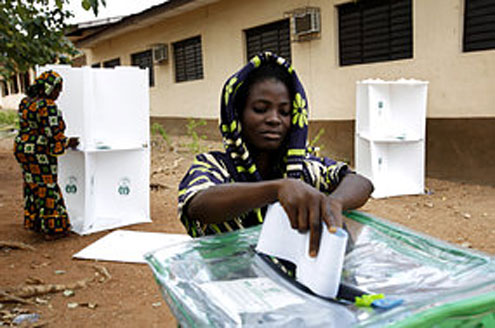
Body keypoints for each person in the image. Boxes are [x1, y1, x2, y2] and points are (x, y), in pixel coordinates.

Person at [178, 52, 373, 262]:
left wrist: (334, 202)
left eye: (285, 112)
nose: (274, 119)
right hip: (229, 286)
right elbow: (198, 205)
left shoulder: (303, 169)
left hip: (288, 289)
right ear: (237, 114)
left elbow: (360, 182)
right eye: (260, 109)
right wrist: (277, 189)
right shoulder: (214, 166)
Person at [13, 70, 79, 240]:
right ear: (48, 88)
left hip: (22, 149)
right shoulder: (47, 106)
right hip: (39, 152)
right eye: (57, 89)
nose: (59, 93)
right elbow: (52, 133)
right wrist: (68, 142)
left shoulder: (26, 102)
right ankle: (54, 229)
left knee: (32, 185)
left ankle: (35, 223)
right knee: (48, 187)